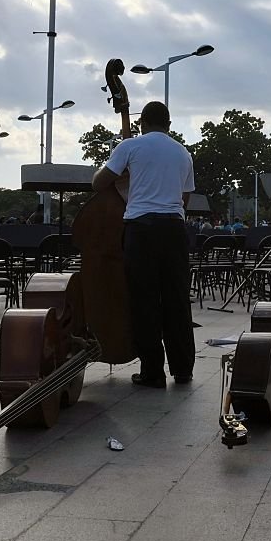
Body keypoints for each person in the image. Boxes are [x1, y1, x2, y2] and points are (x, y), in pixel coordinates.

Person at [92, 100, 196, 388]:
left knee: (145, 300)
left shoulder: (130, 147)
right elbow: (185, 199)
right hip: (174, 229)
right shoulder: (183, 153)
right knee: (176, 299)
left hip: (141, 227)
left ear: (142, 123)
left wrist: (122, 175)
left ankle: (153, 371)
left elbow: (99, 183)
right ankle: (183, 368)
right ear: (169, 125)